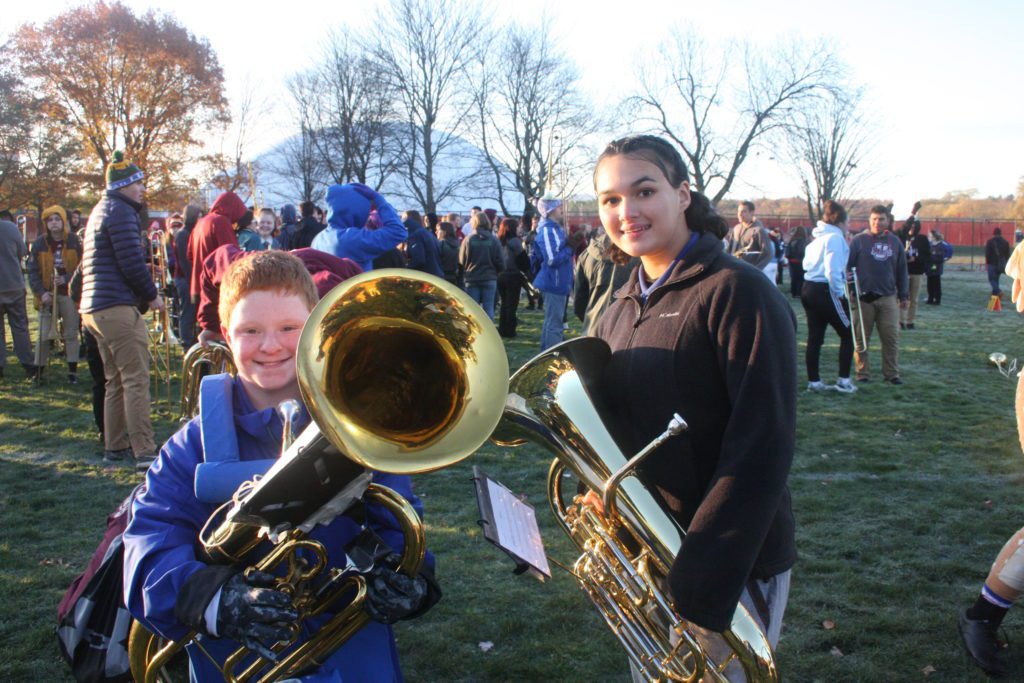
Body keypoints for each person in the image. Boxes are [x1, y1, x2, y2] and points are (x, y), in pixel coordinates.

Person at [122, 250, 437, 682]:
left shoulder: (358, 427)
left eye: (289, 328)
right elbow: (147, 545)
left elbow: (399, 517)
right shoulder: (189, 445)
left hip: (348, 654)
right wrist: (217, 599)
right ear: (226, 338)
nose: (270, 346)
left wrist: (410, 578)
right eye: (250, 330)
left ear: (315, 329)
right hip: (234, 657)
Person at [591, 135, 795, 658]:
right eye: (610, 199)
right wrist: (604, 494)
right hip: (645, 556)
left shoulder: (739, 291)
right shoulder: (615, 307)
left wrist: (701, 578)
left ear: (683, 194)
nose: (627, 211)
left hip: (725, 567)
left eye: (643, 191)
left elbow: (762, 445)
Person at [80, 151, 164, 469]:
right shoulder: (121, 212)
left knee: (113, 381)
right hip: (115, 307)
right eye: (138, 183)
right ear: (125, 185)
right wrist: (152, 295)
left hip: (93, 309)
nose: (142, 188)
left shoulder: (101, 209)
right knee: (135, 379)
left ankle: (114, 447)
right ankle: (144, 451)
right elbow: (129, 263)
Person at [847, 205, 909, 385]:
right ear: (869, 220)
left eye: (881, 219)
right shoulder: (859, 241)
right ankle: (862, 373)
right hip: (864, 297)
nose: (877, 222)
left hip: (888, 296)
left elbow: (902, 270)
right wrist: (851, 291)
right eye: (874, 219)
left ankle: (891, 373)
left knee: (891, 338)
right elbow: (848, 268)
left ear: (888, 220)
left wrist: (904, 295)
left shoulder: (895, 242)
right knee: (861, 338)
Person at [801, 201, 855, 393]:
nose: (848, 226)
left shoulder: (817, 239)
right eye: (847, 222)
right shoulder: (835, 238)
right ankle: (843, 380)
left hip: (808, 288)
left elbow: (809, 264)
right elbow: (832, 270)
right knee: (849, 333)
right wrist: (840, 293)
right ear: (840, 222)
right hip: (825, 290)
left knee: (815, 337)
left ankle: (814, 382)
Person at [28, 205, 83, 384]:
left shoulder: (74, 241)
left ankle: (72, 372)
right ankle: (38, 371)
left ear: (63, 222)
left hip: (68, 293)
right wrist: (41, 293)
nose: (54, 223)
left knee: (70, 332)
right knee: (43, 335)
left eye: (57, 219)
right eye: (50, 220)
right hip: (47, 294)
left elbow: (82, 266)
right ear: (46, 224)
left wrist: (67, 278)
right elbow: (33, 271)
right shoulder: (39, 243)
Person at [311, 184, 407, 271]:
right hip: (355, 290)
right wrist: (380, 201)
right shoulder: (351, 239)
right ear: (358, 212)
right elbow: (398, 232)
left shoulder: (319, 239)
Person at [188, 191, 246, 318]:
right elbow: (230, 257)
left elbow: (190, 255)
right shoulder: (221, 222)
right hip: (214, 289)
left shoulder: (200, 222)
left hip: (197, 284)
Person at [573, 230, 637, 336]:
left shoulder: (586, 254)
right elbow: (579, 303)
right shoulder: (641, 255)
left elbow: (579, 303)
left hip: (594, 331)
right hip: (627, 333)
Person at [533, 196, 573, 350]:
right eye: (558, 207)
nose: (562, 209)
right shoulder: (548, 230)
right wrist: (570, 248)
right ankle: (552, 355)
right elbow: (552, 259)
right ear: (550, 210)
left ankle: (546, 353)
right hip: (554, 282)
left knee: (552, 321)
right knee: (555, 323)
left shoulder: (555, 229)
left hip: (558, 282)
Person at [0, 213, 36, 380]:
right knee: (20, 326)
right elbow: (22, 252)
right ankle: (28, 364)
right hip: (13, 283)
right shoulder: (11, 228)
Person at [457, 211, 503, 319]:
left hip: (472, 278)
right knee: (489, 308)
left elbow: (461, 260)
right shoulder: (494, 240)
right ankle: (489, 333)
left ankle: (475, 334)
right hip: (489, 277)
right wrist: (496, 272)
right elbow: (500, 261)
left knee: (473, 310)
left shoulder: (468, 240)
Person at [174, 205, 201, 349]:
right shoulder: (182, 234)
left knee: (193, 312)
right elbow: (185, 261)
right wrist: (193, 283)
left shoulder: (192, 232)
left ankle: (193, 340)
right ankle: (187, 343)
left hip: (192, 278)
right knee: (188, 312)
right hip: (185, 279)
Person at [726, 201, 773, 278]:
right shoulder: (736, 228)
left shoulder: (758, 230)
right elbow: (729, 250)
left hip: (750, 274)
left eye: (743, 211)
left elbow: (768, 254)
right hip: (734, 271)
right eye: (738, 211)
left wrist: (755, 270)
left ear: (752, 213)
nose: (740, 214)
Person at [495, 217, 525, 337]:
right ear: (512, 228)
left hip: (500, 275)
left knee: (504, 303)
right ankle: (510, 330)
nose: (519, 228)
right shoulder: (515, 242)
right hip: (513, 275)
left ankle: (502, 328)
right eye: (517, 226)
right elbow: (523, 261)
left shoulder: (498, 241)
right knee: (512, 304)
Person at [901, 219, 931, 329]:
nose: (912, 228)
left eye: (915, 226)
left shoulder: (922, 239)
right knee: (902, 298)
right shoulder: (902, 237)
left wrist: (916, 258)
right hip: (903, 272)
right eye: (911, 226)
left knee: (914, 298)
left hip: (917, 272)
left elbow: (928, 255)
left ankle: (910, 321)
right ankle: (900, 320)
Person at [402, 209, 444, 277]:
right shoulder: (427, 233)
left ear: (408, 219)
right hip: (436, 276)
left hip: (426, 277)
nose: (401, 221)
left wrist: (405, 270)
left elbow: (419, 259)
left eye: (403, 218)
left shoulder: (415, 235)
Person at [926, 230, 952, 305]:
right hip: (929, 267)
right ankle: (930, 298)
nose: (929, 237)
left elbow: (940, 257)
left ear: (934, 237)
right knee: (929, 284)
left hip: (936, 268)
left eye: (930, 236)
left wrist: (932, 257)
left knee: (936, 284)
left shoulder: (940, 245)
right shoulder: (930, 245)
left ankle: (937, 299)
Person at [986, 228, 1011, 297]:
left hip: (992, 263)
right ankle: (995, 298)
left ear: (993, 233)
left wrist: (987, 263)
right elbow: (1008, 255)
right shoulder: (1005, 242)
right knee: (996, 280)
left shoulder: (990, 242)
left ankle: (998, 291)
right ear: (1000, 233)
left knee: (991, 279)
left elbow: (987, 254)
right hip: (1001, 265)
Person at [785, 226, 809, 298]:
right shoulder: (806, 241)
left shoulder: (791, 241)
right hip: (802, 261)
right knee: (801, 278)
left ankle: (793, 292)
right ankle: (799, 292)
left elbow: (787, 253)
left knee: (794, 278)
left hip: (792, 262)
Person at [436, 221, 461, 285]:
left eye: (438, 230)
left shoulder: (440, 244)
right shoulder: (458, 244)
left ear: (444, 232)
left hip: (442, 276)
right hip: (456, 276)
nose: (436, 232)